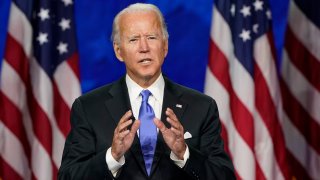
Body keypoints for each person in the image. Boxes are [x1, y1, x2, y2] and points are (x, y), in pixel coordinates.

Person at [58, 3, 235, 180]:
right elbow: (68, 176)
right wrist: (112, 156)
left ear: (165, 46)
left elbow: (224, 176)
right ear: (119, 51)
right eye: (133, 39)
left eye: (151, 37)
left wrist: (184, 153)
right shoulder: (89, 108)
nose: (144, 47)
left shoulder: (202, 107)